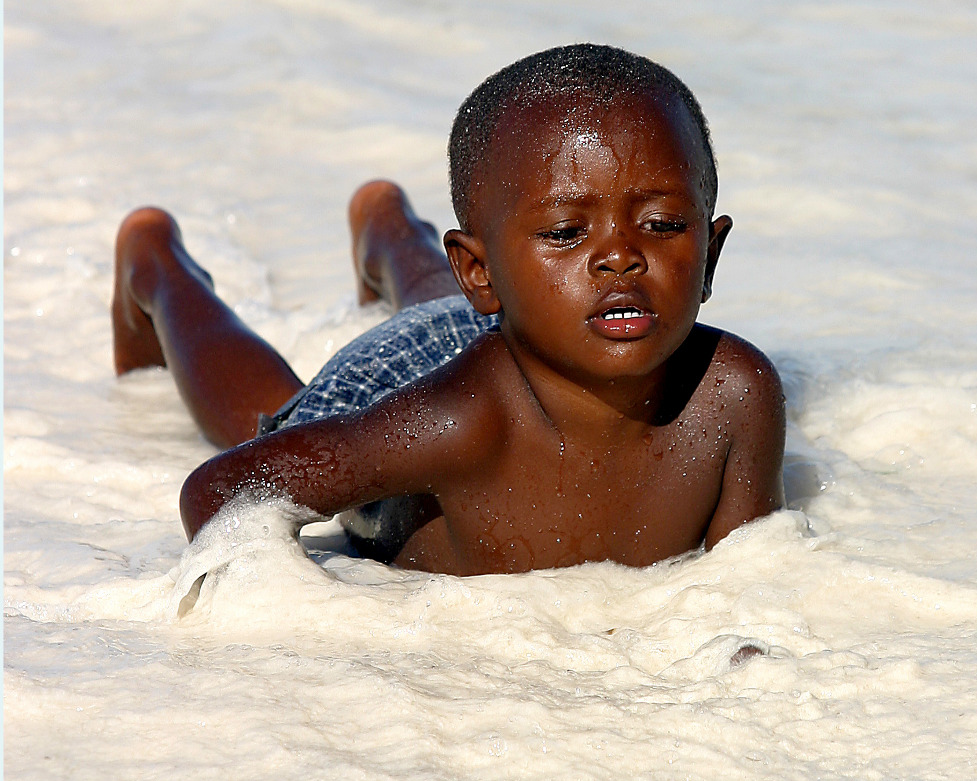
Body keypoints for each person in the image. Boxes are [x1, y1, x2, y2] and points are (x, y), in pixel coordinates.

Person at [112, 44, 786, 576]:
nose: (620, 259)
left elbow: (747, 580)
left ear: (712, 255)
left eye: (664, 224)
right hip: (425, 380)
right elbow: (220, 491)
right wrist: (298, 619)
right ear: (477, 270)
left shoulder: (735, 396)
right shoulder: (452, 424)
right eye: (565, 233)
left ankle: (387, 227)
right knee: (264, 416)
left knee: (493, 300)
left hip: (524, 327)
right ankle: (161, 271)